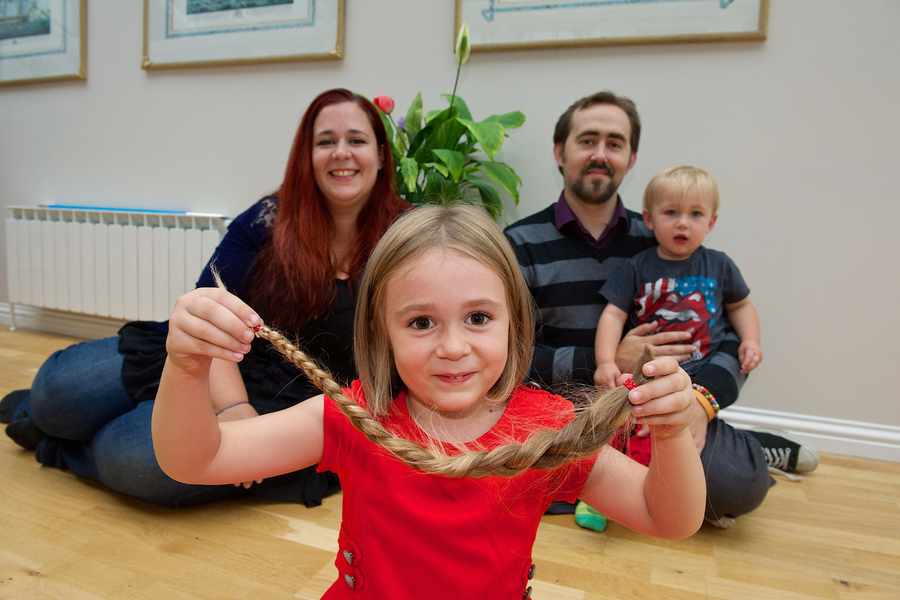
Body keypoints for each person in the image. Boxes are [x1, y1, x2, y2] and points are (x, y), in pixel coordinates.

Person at [152, 203, 707, 599]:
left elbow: (668, 517)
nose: (453, 347)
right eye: (421, 322)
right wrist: (185, 366)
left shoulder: (547, 432)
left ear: (514, 320)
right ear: (382, 332)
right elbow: (198, 459)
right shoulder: (358, 417)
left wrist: (672, 433)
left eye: (478, 318)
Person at [1, 88, 408, 507]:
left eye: (355, 140)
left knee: (131, 458)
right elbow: (208, 304)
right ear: (306, 156)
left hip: (290, 402)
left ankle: (55, 443)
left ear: (380, 153)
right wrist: (231, 405)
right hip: (214, 357)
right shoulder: (269, 218)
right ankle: (52, 420)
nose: (341, 153)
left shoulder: (405, 235)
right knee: (54, 391)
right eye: (326, 141)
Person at [504, 91, 817, 529]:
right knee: (532, 487)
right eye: (587, 140)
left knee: (737, 486)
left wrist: (700, 404)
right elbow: (505, 355)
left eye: (614, 143)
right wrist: (604, 360)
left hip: (653, 413)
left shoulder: (665, 234)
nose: (600, 154)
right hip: (564, 413)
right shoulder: (518, 244)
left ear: (631, 159)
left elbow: (725, 338)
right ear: (560, 151)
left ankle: (750, 448)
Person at [595, 165, 763, 396]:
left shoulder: (720, 265)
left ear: (711, 223)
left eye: (695, 214)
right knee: (633, 402)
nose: (683, 223)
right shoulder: (635, 267)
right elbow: (613, 315)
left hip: (703, 373)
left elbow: (741, 305)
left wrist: (751, 340)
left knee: (688, 419)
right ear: (649, 219)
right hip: (648, 371)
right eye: (671, 212)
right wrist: (605, 362)